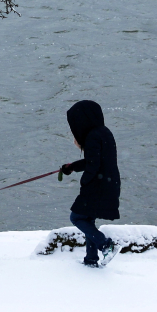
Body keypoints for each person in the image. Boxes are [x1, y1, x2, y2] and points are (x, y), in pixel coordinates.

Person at [60, 99, 121, 267]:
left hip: (98, 186)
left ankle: (106, 245)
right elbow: (94, 160)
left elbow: (93, 165)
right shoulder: (104, 132)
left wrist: (84, 182)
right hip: (109, 183)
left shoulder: (92, 136)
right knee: (88, 219)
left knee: (76, 217)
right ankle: (91, 259)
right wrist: (72, 167)